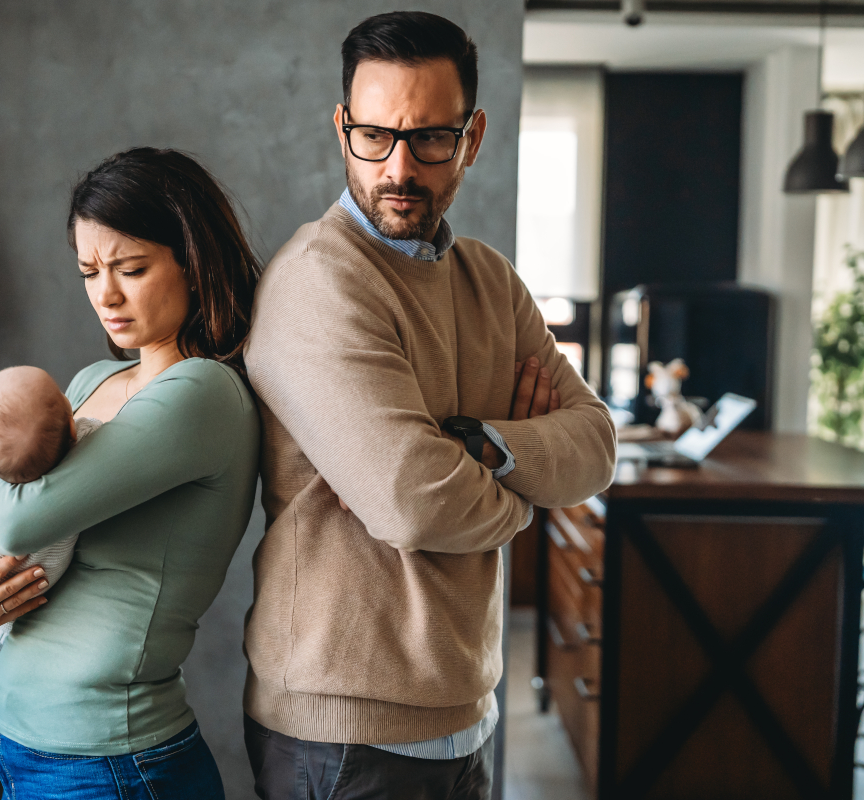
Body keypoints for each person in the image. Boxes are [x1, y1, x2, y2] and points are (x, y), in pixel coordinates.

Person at [242, 11, 617, 799]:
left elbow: (596, 444)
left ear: (472, 137)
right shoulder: (319, 280)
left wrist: (478, 445)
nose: (399, 168)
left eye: (431, 139)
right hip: (342, 732)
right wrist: (522, 501)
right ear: (342, 128)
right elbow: (412, 501)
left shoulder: (489, 280)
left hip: (468, 712)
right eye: (374, 136)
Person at [0, 147, 261, 800]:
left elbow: (20, 516)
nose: (105, 295)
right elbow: (7, 532)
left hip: (110, 761)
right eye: (88, 271)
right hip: (24, 741)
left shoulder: (202, 394)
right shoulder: (92, 381)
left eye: (130, 269)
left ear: (192, 260)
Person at [0, 365, 103, 674]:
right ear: (70, 427)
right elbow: (94, 429)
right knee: (23, 601)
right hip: (43, 572)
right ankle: (0, 636)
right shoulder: (84, 441)